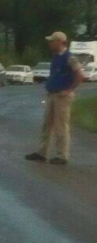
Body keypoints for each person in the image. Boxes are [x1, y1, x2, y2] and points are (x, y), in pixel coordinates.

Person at [25, 31, 84, 165]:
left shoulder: (70, 58)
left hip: (62, 96)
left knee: (61, 126)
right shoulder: (55, 57)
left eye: (52, 41)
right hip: (52, 94)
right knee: (47, 124)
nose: (50, 43)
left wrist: (69, 90)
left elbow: (80, 75)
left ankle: (62, 155)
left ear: (59, 42)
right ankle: (42, 152)